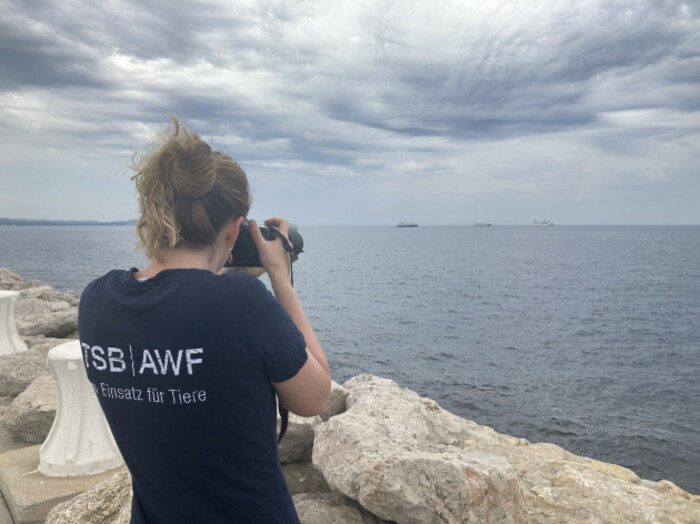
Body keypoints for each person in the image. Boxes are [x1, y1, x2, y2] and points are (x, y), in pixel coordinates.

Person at [78, 116, 331, 523]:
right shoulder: (242, 303)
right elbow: (315, 396)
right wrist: (281, 281)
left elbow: (179, 313)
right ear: (234, 231)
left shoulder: (96, 301)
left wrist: (222, 281)